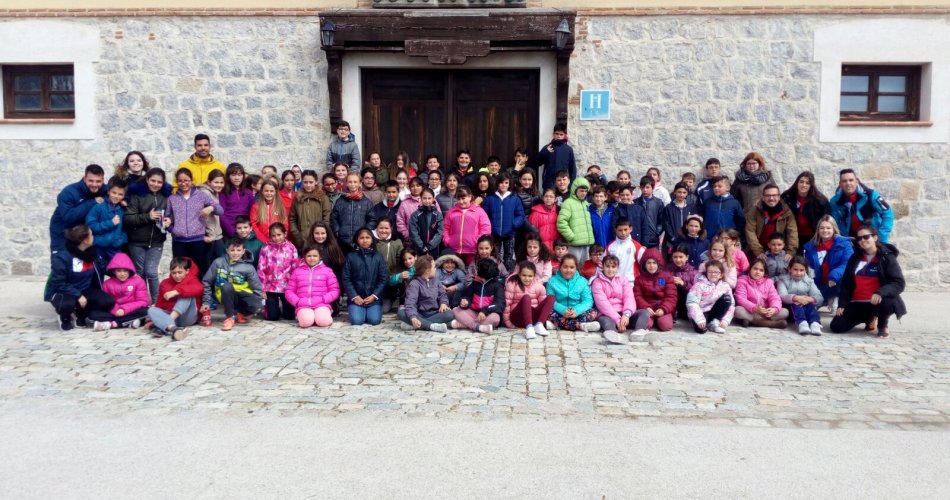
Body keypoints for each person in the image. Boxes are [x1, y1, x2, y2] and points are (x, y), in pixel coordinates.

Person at [831, 225, 906, 338]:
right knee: (837, 327)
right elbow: (846, 283)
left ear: (875, 238)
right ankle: (869, 318)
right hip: (858, 302)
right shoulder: (855, 257)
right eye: (859, 238)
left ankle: (882, 324)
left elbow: (898, 282)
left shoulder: (887, 257)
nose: (862, 241)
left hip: (878, 301)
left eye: (866, 237)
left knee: (887, 301)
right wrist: (842, 304)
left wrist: (880, 292)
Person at [45, 224, 111, 330]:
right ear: (85, 240)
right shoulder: (62, 257)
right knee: (66, 304)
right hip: (65, 291)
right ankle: (65, 317)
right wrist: (78, 295)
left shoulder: (91, 254)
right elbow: (59, 283)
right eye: (91, 235)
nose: (93, 237)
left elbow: (104, 266)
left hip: (85, 289)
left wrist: (122, 270)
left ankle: (82, 315)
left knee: (107, 301)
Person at [124, 167, 171, 304]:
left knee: (151, 272)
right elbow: (128, 217)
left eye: (159, 182)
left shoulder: (166, 196)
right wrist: (147, 216)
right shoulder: (137, 195)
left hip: (157, 241)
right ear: (147, 180)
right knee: (141, 273)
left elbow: (172, 213)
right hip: (137, 241)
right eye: (153, 181)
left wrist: (170, 220)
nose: (155, 184)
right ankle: (143, 302)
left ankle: (157, 303)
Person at [166, 168, 221, 278]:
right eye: (180, 181)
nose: (183, 183)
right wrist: (172, 229)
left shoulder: (201, 196)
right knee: (180, 271)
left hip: (198, 241)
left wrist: (210, 207)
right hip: (179, 242)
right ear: (177, 182)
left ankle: (199, 295)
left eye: (186, 180)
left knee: (199, 270)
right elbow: (166, 218)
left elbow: (220, 210)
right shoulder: (172, 198)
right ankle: (183, 295)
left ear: (191, 180)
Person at [200, 237, 264, 331]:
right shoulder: (218, 263)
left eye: (238, 250)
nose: (235, 253)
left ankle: (240, 313)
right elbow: (206, 281)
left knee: (257, 305)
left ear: (243, 251)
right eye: (232, 250)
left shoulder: (248, 267)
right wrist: (206, 301)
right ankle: (230, 317)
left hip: (241, 295)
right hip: (224, 294)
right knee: (226, 285)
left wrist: (256, 305)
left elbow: (256, 286)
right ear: (227, 251)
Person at [50, 164, 106, 254]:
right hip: (63, 237)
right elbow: (68, 217)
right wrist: (92, 202)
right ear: (84, 178)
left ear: (103, 180)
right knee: (62, 265)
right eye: (91, 180)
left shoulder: (105, 191)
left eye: (98, 181)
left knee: (87, 267)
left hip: (87, 240)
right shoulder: (68, 192)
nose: (95, 184)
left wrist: (124, 201)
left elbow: (118, 193)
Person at [89, 252, 150, 331]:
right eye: (119, 271)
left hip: (131, 310)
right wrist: (116, 310)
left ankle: (112, 324)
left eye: (125, 271)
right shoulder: (107, 284)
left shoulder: (139, 281)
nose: (122, 274)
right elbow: (106, 303)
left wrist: (124, 309)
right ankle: (129, 322)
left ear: (130, 271)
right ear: (114, 271)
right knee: (93, 314)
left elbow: (143, 301)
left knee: (147, 311)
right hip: (115, 312)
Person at [804, 215, 854, 311]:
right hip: (820, 285)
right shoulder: (810, 247)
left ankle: (836, 298)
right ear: (818, 230)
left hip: (837, 281)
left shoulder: (845, 244)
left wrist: (834, 276)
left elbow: (847, 263)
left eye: (828, 228)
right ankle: (825, 298)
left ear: (834, 229)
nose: (825, 230)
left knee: (844, 278)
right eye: (822, 228)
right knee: (808, 307)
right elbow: (809, 268)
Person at [829, 169, 894, 243]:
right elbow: (834, 222)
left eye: (851, 180)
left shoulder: (871, 195)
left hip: (872, 240)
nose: (848, 183)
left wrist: (881, 235)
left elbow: (888, 214)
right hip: (850, 242)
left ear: (856, 182)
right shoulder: (834, 202)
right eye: (844, 181)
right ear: (840, 184)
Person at [148, 257, 202, 341]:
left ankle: (165, 324)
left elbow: (199, 289)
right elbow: (160, 303)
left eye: (180, 272)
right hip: (173, 318)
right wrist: (155, 319)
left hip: (187, 317)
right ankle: (173, 329)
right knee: (151, 309)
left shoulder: (192, 280)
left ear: (187, 271)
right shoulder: (165, 283)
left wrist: (177, 291)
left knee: (187, 295)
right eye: (174, 273)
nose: (177, 276)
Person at [285, 245, 340, 328]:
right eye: (309, 256)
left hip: (321, 303)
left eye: (315, 256)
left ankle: (323, 315)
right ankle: (307, 317)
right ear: (304, 257)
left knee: (323, 322)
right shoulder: (297, 271)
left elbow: (335, 290)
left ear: (320, 257)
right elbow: (289, 291)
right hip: (303, 304)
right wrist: (297, 301)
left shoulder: (327, 271)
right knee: (305, 322)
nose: (312, 258)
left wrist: (324, 299)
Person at [342, 228, 389, 326]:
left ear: (372, 239)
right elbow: (346, 278)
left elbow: (383, 279)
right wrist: (354, 296)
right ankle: (357, 309)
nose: (365, 240)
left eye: (367, 237)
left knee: (374, 320)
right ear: (357, 240)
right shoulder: (351, 256)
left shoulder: (378, 257)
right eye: (361, 238)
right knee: (357, 321)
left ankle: (370, 310)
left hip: (373, 299)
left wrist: (374, 296)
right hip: (356, 298)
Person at [592, 254, 641, 345]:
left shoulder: (623, 280)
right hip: (606, 314)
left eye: (613, 267)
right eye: (607, 266)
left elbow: (629, 298)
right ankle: (614, 336)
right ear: (603, 266)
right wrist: (618, 320)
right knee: (607, 322)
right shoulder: (597, 282)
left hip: (623, 313)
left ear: (617, 268)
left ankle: (639, 333)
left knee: (644, 313)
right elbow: (602, 304)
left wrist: (626, 314)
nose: (610, 269)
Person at [544, 254, 600, 332]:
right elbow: (550, 300)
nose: (568, 270)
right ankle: (581, 326)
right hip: (559, 312)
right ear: (560, 267)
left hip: (577, 312)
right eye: (565, 267)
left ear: (576, 268)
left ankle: (556, 325)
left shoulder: (582, 281)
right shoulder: (552, 281)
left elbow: (588, 301)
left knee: (593, 313)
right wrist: (562, 310)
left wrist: (576, 310)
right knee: (547, 312)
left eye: (572, 267)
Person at [398, 255, 453, 332]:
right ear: (427, 270)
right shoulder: (415, 283)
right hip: (419, 313)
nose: (435, 269)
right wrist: (413, 318)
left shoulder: (436, 280)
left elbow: (442, 294)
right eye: (434, 267)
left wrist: (443, 303)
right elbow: (410, 303)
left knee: (449, 314)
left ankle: (414, 325)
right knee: (401, 312)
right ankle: (431, 326)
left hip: (434, 313)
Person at [482, 172, 525, 271]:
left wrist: (514, 225)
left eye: (506, 183)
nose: (503, 185)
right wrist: (490, 227)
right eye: (501, 182)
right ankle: (496, 273)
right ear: (497, 184)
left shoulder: (514, 199)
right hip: (494, 233)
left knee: (509, 256)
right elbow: (484, 216)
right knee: (496, 255)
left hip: (509, 233)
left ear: (509, 184)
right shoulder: (490, 199)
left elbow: (520, 215)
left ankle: (507, 275)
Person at [450, 258, 505, 334]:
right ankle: (478, 327)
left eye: (477, 268)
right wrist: (465, 302)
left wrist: (484, 311)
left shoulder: (497, 285)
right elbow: (466, 296)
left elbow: (499, 304)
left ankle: (464, 324)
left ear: (484, 271)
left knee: (495, 318)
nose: (475, 270)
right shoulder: (474, 283)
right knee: (456, 310)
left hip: (488, 314)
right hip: (474, 313)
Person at [257, 223, 299, 322]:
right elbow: (261, 268)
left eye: (279, 235)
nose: (276, 238)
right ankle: (271, 308)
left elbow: (295, 268)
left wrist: (296, 286)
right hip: (271, 287)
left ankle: (286, 308)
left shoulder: (291, 248)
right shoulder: (266, 249)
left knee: (289, 316)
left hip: (287, 286)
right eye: (273, 235)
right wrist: (262, 289)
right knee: (273, 317)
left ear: (285, 233)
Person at [745, 183, 798, 259]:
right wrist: (758, 252)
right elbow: (750, 231)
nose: (771, 198)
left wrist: (790, 252)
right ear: (763, 197)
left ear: (779, 197)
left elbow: (792, 232)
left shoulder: (787, 212)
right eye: (768, 196)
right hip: (758, 250)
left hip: (779, 250)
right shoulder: (754, 211)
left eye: (774, 195)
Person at [503, 261, 555, 339]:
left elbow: (543, 307)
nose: (527, 278)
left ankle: (539, 325)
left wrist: (542, 320)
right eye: (524, 275)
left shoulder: (539, 287)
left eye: (530, 276)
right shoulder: (512, 284)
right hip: (517, 317)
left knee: (551, 297)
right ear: (519, 274)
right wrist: (509, 323)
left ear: (534, 276)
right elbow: (507, 304)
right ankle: (529, 328)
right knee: (526, 298)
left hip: (533, 318)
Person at [632, 248, 678, 335]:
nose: (651, 266)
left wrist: (663, 309)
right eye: (648, 263)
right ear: (644, 264)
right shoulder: (639, 279)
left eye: (654, 263)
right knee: (646, 325)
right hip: (648, 309)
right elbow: (637, 296)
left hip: (662, 308)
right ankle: (651, 321)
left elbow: (671, 296)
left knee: (665, 325)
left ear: (659, 264)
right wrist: (646, 307)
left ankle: (662, 319)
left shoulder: (667, 277)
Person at [443, 186, 492, 265]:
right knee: (457, 273)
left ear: (470, 197)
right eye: (458, 199)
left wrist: (478, 241)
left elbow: (486, 228)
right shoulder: (451, 212)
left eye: (463, 198)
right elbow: (446, 228)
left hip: (472, 250)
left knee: (472, 273)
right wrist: (447, 240)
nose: (461, 201)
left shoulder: (479, 211)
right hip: (455, 250)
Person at [734, 259, 789, 329]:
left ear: (764, 273)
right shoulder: (742, 280)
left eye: (761, 270)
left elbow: (774, 297)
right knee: (738, 310)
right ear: (750, 269)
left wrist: (774, 309)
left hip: (764, 312)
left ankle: (752, 321)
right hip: (750, 311)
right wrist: (754, 308)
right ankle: (770, 324)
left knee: (785, 312)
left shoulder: (768, 282)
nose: (757, 272)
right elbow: (740, 298)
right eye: (755, 269)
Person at [776, 256, 824, 335]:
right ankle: (802, 323)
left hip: (805, 306)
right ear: (789, 269)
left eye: (801, 270)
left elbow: (819, 297)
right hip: (790, 308)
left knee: (810, 304)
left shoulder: (809, 281)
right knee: (796, 303)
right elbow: (782, 295)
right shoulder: (783, 280)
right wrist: (795, 298)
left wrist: (810, 299)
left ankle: (815, 323)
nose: (798, 273)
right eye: (795, 269)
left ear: (805, 270)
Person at [331, 172, 377, 253]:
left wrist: (365, 232)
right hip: (343, 241)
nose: (353, 184)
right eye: (350, 182)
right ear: (346, 183)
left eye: (355, 182)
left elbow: (372, 219)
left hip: (360, 241)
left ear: (360, 183)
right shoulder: (340, 200)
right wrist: (337, 231)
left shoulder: (366, 202)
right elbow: (334, 217)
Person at [781, 171, 830, 245]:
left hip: (813, 236)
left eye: (807, 183)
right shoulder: (787, 196)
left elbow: (827, 219)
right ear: (797, 183)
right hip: (792, 235)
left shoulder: (820, 200)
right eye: (801, 182)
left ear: (811, 185)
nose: (804, 185)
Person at [686, 260, 734, 334]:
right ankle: (702, 323)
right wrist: (699, 319)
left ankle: (714, 323)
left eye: (716, 272)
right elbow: (692, 303)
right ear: (706, 273)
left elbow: (731, 305)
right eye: (710, 272)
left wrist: (725, 320)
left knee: (727, 299)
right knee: (701, 330)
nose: (713, 274)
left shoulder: (725, 286)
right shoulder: (699, 285)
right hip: (702, 312)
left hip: (715, 313)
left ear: (721, 275)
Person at [85, 177, 128, 260]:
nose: (116, 196)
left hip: (115, 248)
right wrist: (110, 223)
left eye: (120, 194)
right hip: (99, 247)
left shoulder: (123, 210)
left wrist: (121, 239)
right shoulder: (98, 207)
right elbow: (90, 226)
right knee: (98, 271)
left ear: (124, 195)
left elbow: (125, 228)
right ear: (108, 191)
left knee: (115, 271)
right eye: (114, 193)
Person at [289, 169, 332, 250]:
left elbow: (326, 217)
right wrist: (297, 235)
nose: (308, 185)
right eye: (305, 182)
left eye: (311, 182)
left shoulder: (322, 197)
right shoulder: (297, 198)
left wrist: (321, 234)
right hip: (302, 239)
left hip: (318, 239)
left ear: (316, 182)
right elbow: (292, 218)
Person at [556, 177, 594, 262]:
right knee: (574, 267)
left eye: (585, 191)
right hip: (575, 245)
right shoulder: (568, 203)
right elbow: (561, 222)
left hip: (587, 244)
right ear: (574, 190)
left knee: (585, 269)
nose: (583, 193)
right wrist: (571, 237)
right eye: (581, 191)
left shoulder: (586, 204)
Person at [397, 177, 442, 245]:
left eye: (418, 185)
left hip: (430, 240)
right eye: (412, 186)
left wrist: (434, 239)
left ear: (422, 186)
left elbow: (439, 220)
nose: (415, 188)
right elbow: (400, 222)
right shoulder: (404, 203)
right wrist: (409, 235)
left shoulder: (431, 200)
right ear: (409, 188)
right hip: (411, 241)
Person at [533, 123, 577, 189]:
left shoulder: (568, 149)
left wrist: (571, 183)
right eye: (556, 134)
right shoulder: (547, 147)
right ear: (553, 134)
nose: (558, 136)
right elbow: (537, 162)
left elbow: (572, 168)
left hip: (562, 183)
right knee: (549, 198)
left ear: (564, 135)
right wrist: (545, 152)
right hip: (549, 182)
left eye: (561, 134)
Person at [702, 175, 746, 241]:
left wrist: (736, 233)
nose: (716, 188)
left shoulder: (734, 203)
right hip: (709, 237)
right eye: (714, 186)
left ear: (728, 188)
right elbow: (702, 217)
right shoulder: (708, 202)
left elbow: (741, 220)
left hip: (728, 238)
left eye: (719, 186)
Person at [662, 181, 699, 257]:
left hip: (687, 240)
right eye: (679, 192)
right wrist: (672, 238)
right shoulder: (669, 208)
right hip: (672, 241)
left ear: (687, 194)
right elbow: (666, 224)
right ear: (675, 192)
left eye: (684, 192)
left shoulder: (691, 207)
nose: (681, 195)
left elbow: (694, 222)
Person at [606, 218, 646, 285]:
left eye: (625, 229)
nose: (623, 233)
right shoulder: (610, 247)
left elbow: (644, 264)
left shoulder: (636, 246)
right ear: (615, 230)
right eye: (620, 230)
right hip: (614, 282)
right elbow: (603, 265)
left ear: (630, 229)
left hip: (631, 282)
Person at [665, 244, 698, 322]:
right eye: (675, 257)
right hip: (671, 302)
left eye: (681, 257)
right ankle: (671, 312)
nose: (678, 260)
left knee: (681, 288)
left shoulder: (693, 271)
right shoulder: (667, 269)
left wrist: (684, 283)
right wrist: (668, 282)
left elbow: (696, 290)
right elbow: (660, 283)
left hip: (685, 303)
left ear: (687, 257)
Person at [250, 178, 288, 244]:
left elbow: (285, 223)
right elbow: (253, 225)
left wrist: (281, 237)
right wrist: (263, 239)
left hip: (278, 240)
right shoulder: (256, 207)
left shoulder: (280, 206)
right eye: (266, 191)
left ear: (275, 192)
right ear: (262, 191)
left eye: (271, 191)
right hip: (261, 241)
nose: (269, 193)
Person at [408, 188, 444, 256]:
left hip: (434, 249)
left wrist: (429, 246)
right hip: (419, 249)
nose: (427, 201)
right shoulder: (415, 215)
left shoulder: (438, 215)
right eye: (424, 198)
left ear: (433, 199)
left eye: (429, 198)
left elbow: (440, 232)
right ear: (421, 198)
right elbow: (413, 232)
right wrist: (421, 246)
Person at [634, 175, 665, 249]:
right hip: (639, 240)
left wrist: (656, 233)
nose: (645, 190)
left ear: (653, 188)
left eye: (647, 187)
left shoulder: (658, 202)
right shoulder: (635, 203)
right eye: (642, 187)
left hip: (653, 241)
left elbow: (662, 221)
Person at [527, 188, 560, 254]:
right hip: (542, 247)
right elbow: (531, 233)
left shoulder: (558, 211)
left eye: (551, 196)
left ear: (556, 198)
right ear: (542, 198)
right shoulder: (535, 213)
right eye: (546, 196)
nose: (548, 198)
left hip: (556, 247)